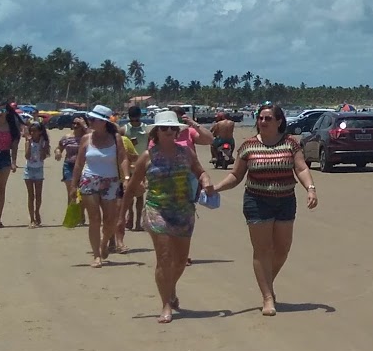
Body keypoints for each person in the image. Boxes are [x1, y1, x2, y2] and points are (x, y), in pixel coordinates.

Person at [208, 104, 318, 316]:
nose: (263, 122)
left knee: (282, 248)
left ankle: (267, 281)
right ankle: (267, 297)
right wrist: (217, 188)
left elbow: (301, 168)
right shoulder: (248, 146)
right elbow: (235, 176)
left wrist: (310, 189)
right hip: (257, 201)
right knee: (262, 250)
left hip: (286, 200)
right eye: (260, 118)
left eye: (268, 118)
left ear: (279, 121)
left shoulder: (290, 144)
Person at [127, 110, 211, 323]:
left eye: (172, 128)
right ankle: (165, 304)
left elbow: (200, 171)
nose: (169, 132)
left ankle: (170, 289)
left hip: (183, 211)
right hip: (157, 210)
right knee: (164, 258)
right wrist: (121, 217)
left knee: (181, 260)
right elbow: (131, 187)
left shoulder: (186, 153)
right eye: (164, 128)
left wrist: (206, 181)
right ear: (156, 131)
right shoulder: (148, 156)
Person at [72, 105, 127, 268]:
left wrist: (126, 177)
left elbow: (123, 158)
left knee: (110, 220)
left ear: (103, 122)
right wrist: (73, 185)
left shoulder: (115, 138)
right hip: (89, 180)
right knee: (94, 219)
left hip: (111, 181)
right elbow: (79, 163)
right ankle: (96, 255)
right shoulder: (86, 139)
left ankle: (104, 244)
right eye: (90, 119)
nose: (90, 122)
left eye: (93, 119)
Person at [121, 106, 148, 234]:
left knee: (140, 195)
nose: (135, 120)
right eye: (133, 118)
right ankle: (131, 218)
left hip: (142, 166)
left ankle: (137, 222)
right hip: (129, 166)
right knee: (130, 194)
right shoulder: (124, 129)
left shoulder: (146, 129)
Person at [22, 119, 51, 227]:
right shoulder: (28, 142)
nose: (33, 133)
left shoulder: (44, 142)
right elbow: (27, 156)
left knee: (38, 194)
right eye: (31, 131)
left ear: (40, 132)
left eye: (35, 131)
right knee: (31, 195)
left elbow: (43, 157)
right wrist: (29, 143)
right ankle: (32, 218)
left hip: (39, 169)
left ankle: (37, 211)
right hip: (29, 169)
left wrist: (41, 146)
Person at [55, 116, 87, 204]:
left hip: (83, 167)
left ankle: (81, 215)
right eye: (74, 123)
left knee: (82, 193)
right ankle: (71, 214)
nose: (75, 126)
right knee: (71, 192)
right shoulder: (67, 137)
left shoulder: (87, 138)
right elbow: (59, 148)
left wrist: (85, 126)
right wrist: (58, 152)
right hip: (69, 165)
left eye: (78, 124)